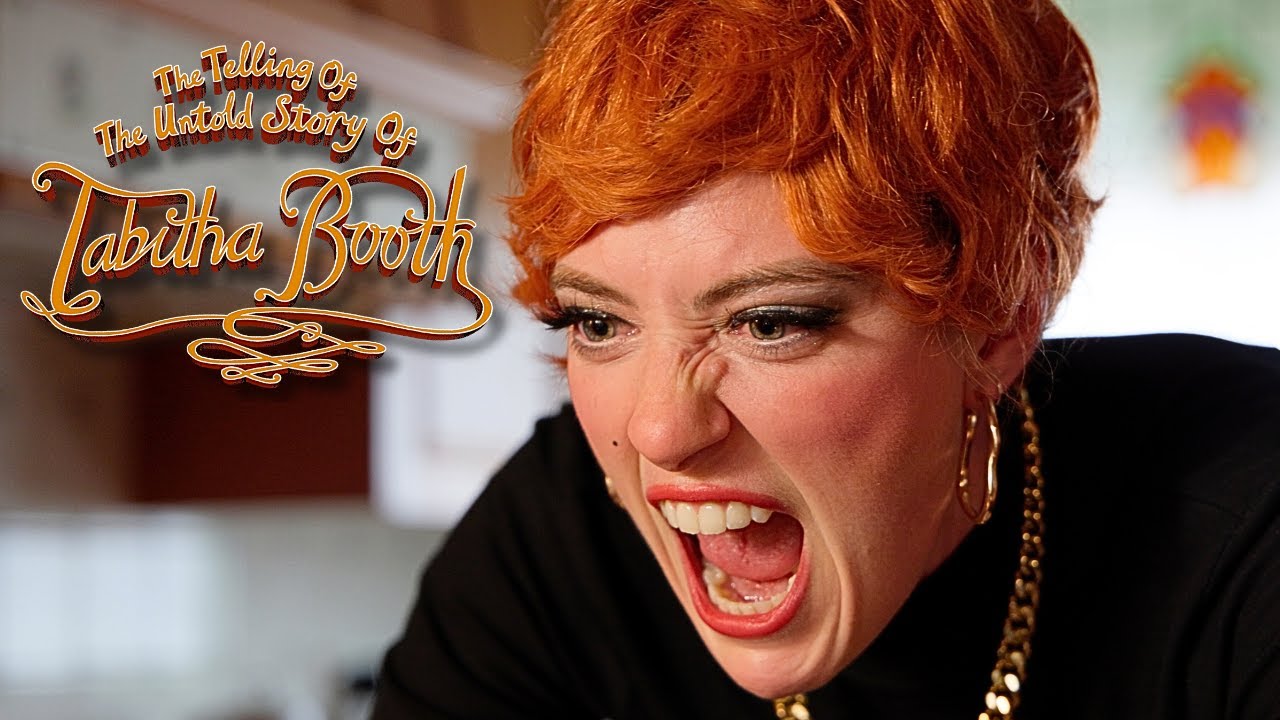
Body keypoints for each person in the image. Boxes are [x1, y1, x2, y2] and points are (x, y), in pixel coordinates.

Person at [371, 0, 1280, 718]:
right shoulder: (550, 545)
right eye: (599, 323)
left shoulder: (1249, 524)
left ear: (998, 321)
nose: (659, 432)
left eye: (770, 323)